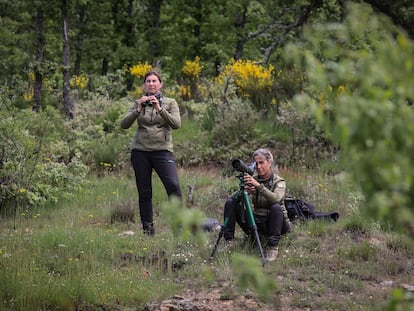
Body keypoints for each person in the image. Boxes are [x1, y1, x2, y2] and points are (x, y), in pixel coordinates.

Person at [120, 70, 182, 235]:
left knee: (173, 187)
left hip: (162, 151)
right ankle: (148, 231)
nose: (151, 84)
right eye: (148, 81)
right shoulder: (137, 102)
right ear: (145, 84)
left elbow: (176, 124)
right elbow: (124, 124)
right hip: (140, 152)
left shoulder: (170, 102)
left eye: (155, 81)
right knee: (145, 192)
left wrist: (160, 108)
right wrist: (138, 109)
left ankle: (178, 228)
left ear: (160, 84)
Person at [223, 148, 290, 261]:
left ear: (269, 162)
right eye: (256, 163)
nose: (258, 167)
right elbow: (233, 200)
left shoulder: (279, 181)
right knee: (230, 203)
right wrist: (243, 192)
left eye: (262, 162)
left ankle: (272, 247)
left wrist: (259, 186)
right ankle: (229, 241)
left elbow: (276, 199)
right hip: (258, 222)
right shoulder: (253, 180)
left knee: (275, 207)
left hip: (277, 224)